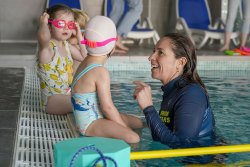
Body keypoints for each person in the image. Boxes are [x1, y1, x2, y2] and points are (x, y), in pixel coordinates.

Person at [133, 33, 215, 163]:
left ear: (180, 62)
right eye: (154, 51)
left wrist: (148, 108)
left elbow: (181, 145)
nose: (151, 57)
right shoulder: (173, 90)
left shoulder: (191, 94)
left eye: (160, 53)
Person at [71, 15, 144, 143]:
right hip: (89, 124)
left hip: (95, 114)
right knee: (133, 137)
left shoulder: (85, 61)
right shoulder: (100, 71)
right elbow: (107, 108)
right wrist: (124, 128)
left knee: (138, 123)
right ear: (113, 46)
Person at [37, 4, 87, 115]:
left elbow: (85, 58)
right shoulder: (48, 49)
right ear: (49, 26)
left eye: (70, 24)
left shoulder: (67, 46)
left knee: (91, 98)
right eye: (61, 23)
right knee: (86, 103)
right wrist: (43, 23)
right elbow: (43, 38)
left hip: (65, 95)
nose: (66, 28)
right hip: (52, 101)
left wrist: (79, 36)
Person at [68, 8, 90, 73]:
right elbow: (85, 59)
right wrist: (80, 38)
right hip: (73, 81)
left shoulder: (80, 46)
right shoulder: (69, 46)